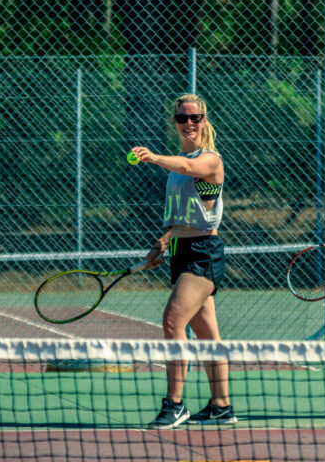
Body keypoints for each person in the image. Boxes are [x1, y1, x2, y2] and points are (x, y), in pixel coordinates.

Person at [130, 93, 236, 429]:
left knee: (173, 321)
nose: (188, 123)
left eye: (194, 117)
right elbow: (185, 217)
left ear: (204, 120)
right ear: (174, 121)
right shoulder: (177, 165)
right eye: (181, 118)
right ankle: (221, 406)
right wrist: (161, 243)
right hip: (181, 250)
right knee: (208, 335)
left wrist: (153, 157)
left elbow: (190, 168)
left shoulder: (210, 160)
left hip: (203, 252)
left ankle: (174, 405)